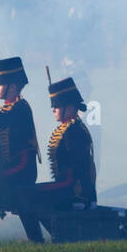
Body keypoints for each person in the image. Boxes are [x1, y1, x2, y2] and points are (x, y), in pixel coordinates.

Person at [0, 53, 43, 241]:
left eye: (0, 84)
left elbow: (2, 122)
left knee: (24, 203)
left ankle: (37, 240)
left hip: (22, 167)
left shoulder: (20, 108)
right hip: (12, 165)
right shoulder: (10, 107)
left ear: (12, 87)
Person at [37, 77, 97, 210]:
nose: (53, 110)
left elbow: (81, 170)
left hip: (73, 191)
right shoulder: (68, 129)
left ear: (69, 108)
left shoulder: (75, 131)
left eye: (56, 106)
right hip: (66, 186)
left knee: (33, 192)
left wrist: (78, 197)